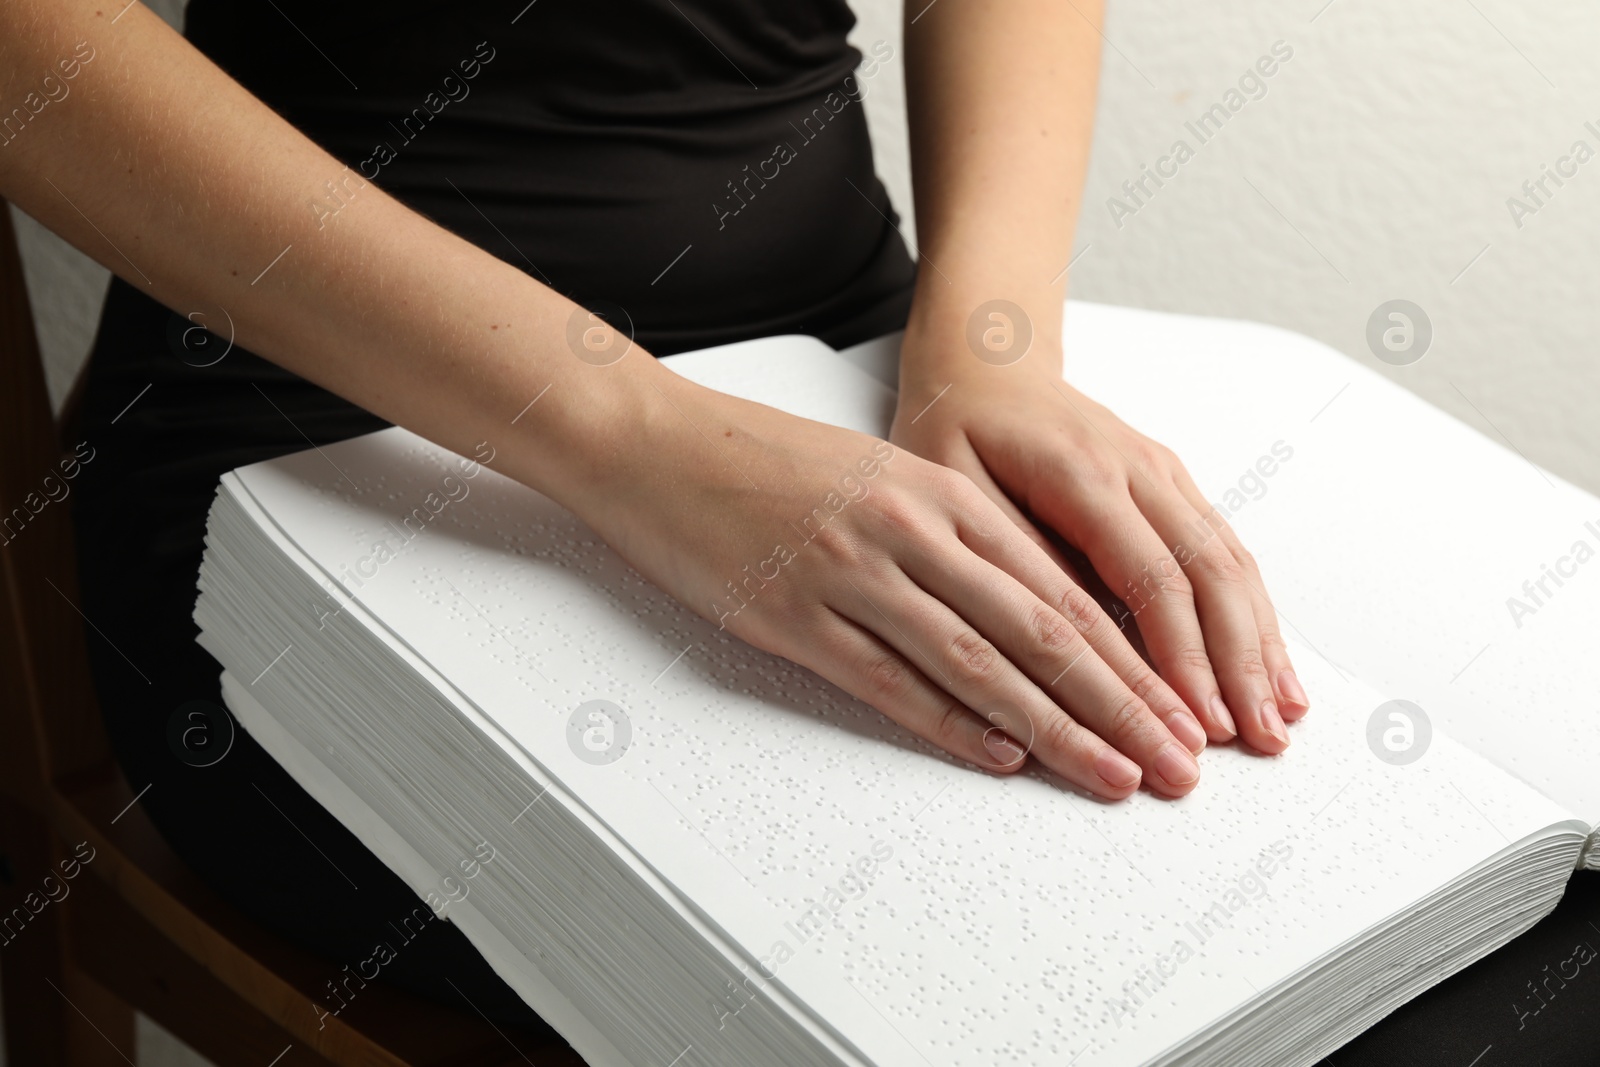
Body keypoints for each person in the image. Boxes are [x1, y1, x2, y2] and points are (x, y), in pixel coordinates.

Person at [0, 0, 1309, 1034]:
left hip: (857, 359)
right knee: (970, 967)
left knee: (1317, 921)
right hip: (314, 432)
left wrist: (991, 347)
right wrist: (641, 441)